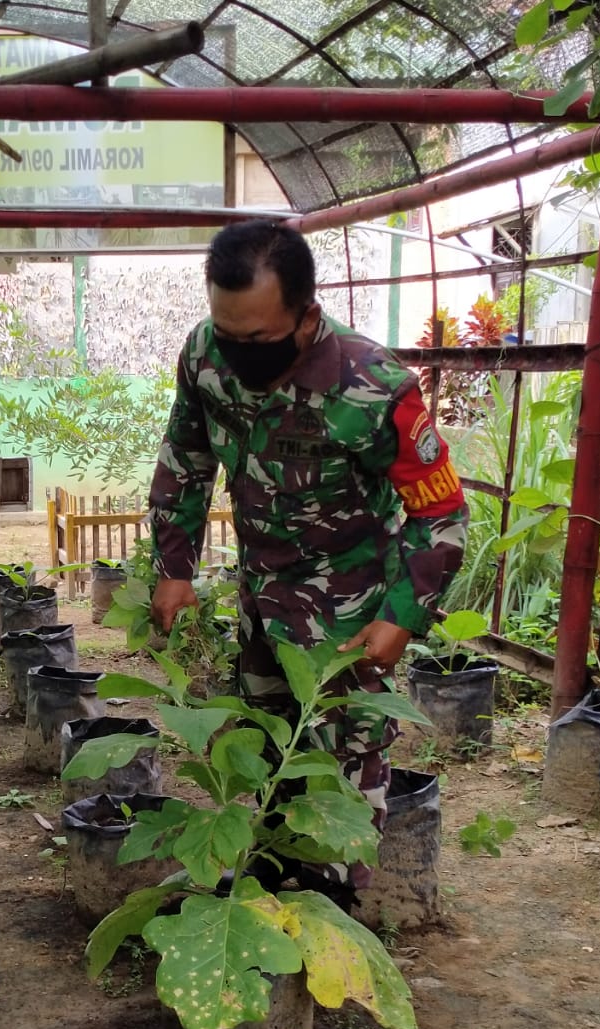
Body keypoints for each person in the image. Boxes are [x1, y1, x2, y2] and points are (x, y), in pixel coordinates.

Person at [148, 219, 469, 886]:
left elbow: (438, 512)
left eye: (258, 339)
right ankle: (267, 885)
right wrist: (174, 567)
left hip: (348, 613)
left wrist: (402, 616)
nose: (238, 353)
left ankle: (332, 912)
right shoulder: (205, 356)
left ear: (305, 315)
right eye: (226, 331)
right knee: (264, 746)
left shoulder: (373, 385)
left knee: (343, 761)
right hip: (261, 597)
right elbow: (185, 460)